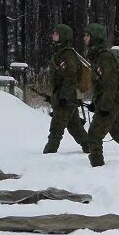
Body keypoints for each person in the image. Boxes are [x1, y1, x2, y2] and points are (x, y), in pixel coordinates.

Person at [84, 23, 119, 167]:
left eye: (88, 36)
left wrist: (105, 107)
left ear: (95, 38)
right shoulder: (98, 56)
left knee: (94, 135)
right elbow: (102, 84)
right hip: (106, 102)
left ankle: (97, 166)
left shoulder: (104, 57)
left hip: (109, 103)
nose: (85, 38)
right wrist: (96, 102)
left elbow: (110, 84)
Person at [43, 24, 89, 154]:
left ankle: (49, 152)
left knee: (56, 127)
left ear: (63, 36)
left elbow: (71, 78)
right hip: (65, 95)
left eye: (56, 34)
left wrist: (63, 96)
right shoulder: (61, 52)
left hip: (67, 96)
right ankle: (89, 146)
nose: (53, 36)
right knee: (74, 127)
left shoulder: (67, 54)